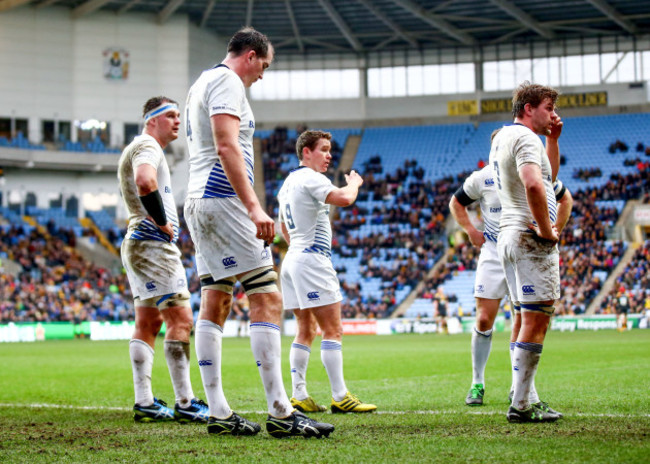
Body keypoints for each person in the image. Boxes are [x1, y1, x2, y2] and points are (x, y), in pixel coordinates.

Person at [184, 27, 333, 438]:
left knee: (214, 299)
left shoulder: (201, 83)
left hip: (199, 199)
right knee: (266, 295)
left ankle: (218, 411)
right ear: (250, 55)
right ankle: (282, 412)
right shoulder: (228, 81)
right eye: (263, 66)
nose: (262, 75)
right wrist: (253, 207)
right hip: (223, 198)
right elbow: (227, 145)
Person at [451, 126, 571, 408]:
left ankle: (520, 389)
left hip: (522, 247)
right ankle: (477, 383)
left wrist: (555, 228)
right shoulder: (482, 179)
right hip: (494, 251)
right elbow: (456, 202)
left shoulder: (528, 171)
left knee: (522, 318)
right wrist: (470, 229)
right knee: (483, 319)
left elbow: (565, 197)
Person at [118, 96, 208, 423]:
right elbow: (145, 181)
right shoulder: (148, 146)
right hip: (154, 244)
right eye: (170, 115)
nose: (177, 121)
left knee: (148, 323)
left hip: (137, 243)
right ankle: (186, 402)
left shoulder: (137, 146)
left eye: (179, 116)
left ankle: (145, 401)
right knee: (180, 321)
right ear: (151, 119)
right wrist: (162, 222)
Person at [278, 130, 377, 414]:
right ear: (305, 152)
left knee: (305, 329)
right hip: (312, 258)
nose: (329, 155)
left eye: (330, 150)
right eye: (323, 149)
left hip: (293, 258)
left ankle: (299, 394)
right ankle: (340, 396)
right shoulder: (311, 178)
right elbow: (345, 199)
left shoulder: (287, 183)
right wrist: (355, 183)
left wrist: (297, 249)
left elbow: (283, 226)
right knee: (332, 330)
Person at [489, 81, 564, 423]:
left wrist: (554, 141)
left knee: (523, 317)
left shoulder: (504, 137)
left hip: (509, 235)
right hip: (528, 238)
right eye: (548, 108)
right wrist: (547, 230)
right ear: (528, 108)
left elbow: (545, 178)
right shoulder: (524, 138)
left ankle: (525, 396)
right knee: (536, 320)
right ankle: (521, 404)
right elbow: (533, 183)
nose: (553, 114)